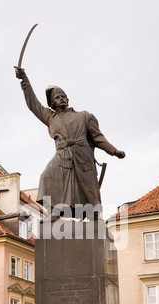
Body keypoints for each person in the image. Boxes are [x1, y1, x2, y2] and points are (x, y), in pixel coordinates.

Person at [15, 68, 125, 220]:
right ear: (52, 103)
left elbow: (98, 137)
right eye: (57, 97)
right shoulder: (50, 117)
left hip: (82, 154)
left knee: (87, 186)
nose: (61, 99)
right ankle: (54, 210)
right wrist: (24, 80)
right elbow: (33, 104)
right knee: (47, 176)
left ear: (68, 99)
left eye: (63, 96)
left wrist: (114, 151)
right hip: (62, 154)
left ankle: (92, 213)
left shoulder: (84, 116)